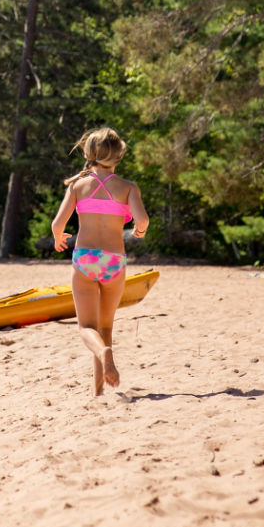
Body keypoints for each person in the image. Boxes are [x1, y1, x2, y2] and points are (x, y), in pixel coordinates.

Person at [49, 127, 150, 397]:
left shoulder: (77, 186)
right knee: (105, 327)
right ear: (119, 156)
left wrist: (59, 238)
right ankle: (99, 390)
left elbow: (57, 223)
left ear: (89, 153)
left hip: (85, 259)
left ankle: (102, 363)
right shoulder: (128, 188)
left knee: (86, 328)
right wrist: (139, 232)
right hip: (114, 261)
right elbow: (142, 221)